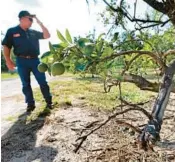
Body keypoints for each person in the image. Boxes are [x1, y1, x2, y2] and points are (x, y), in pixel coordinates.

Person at [2, 10, 52, 112]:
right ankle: (30, 104)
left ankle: (49, 101)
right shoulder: (12, 31)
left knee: (42, 81)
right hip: (21, 61)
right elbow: (6, 46)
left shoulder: (33, 32)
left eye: (32, 19)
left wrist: (39, 21)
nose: (31, 21)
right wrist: (8, 60)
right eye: (30, 19)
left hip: (35, 61)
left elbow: (47, 35)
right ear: (22, 19)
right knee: (25, 84)